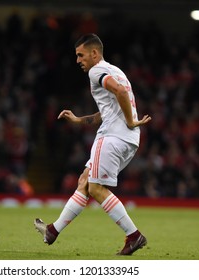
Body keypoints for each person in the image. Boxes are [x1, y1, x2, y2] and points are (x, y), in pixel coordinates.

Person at [34, 33, 151, 255]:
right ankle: (52, 231)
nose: (78, 60)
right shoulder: (116, 70)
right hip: (128, 139)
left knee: (96, 188)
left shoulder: (97, 70)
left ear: (94, 53)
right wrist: (80, 119)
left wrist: (129, 121)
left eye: (81, 55)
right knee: (85, 182)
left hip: (113, 136)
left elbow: (120, 91)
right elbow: (110, 107)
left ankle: (134, 235)